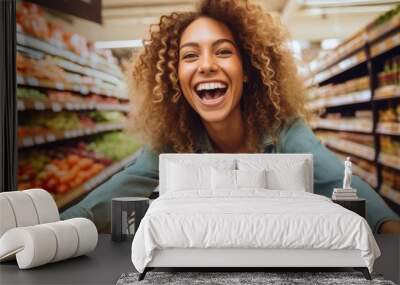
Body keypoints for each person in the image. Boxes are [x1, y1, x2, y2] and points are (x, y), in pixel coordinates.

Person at [61, 0, 400, 234]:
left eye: (223, 51)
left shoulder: (284, 132)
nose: (206, 64)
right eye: (190, 55)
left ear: (249, 70)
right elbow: (120, 188)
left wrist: (387, 225)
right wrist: (58, 227)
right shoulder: (175, 141)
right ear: (175, 76)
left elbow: (338, 179)